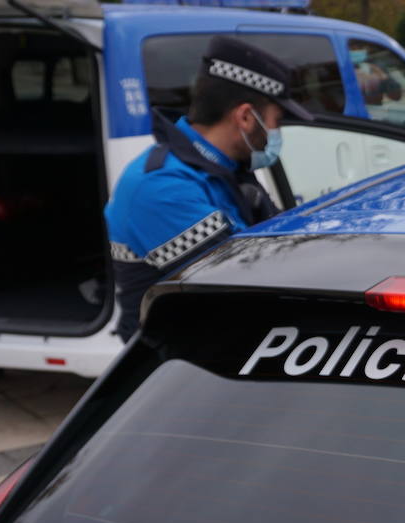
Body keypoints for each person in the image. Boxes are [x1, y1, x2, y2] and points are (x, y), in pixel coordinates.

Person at [105, 35, 312, 341]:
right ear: (245, 117)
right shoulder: (161, 187)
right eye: (275, 121)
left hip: (213, 346)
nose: (276, 133)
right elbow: (244, 283)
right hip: (173, 368)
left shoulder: (224, 171)